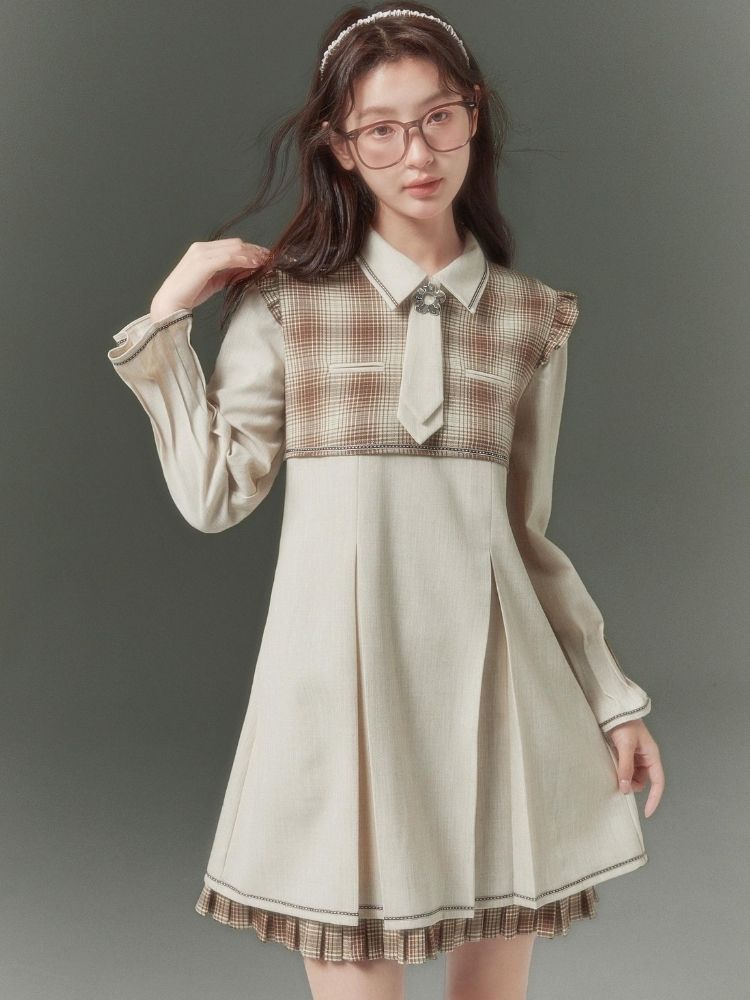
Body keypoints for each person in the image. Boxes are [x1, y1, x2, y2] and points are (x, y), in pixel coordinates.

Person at [106, 4, 665, 998]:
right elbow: (213, 495)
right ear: (340, 145)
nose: (418, 152)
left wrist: (613, 700)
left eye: (439, 117)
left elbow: (526, 537)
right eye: (382, 129)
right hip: (339, 708)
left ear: (474, 115)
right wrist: (165, 321)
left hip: (496, 702)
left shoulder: (530, 319)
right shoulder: (285, 305)